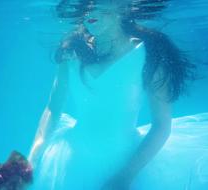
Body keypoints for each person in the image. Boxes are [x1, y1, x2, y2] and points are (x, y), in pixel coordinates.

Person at [27, 0, 198, 189]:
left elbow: (162, 125)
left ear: (123, 7)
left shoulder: (149, 55)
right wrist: (33, 157)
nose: (90, 7)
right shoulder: (71, 51)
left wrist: (126, 176)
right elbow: (53, 109)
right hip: (70, 159)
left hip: (128, 161)